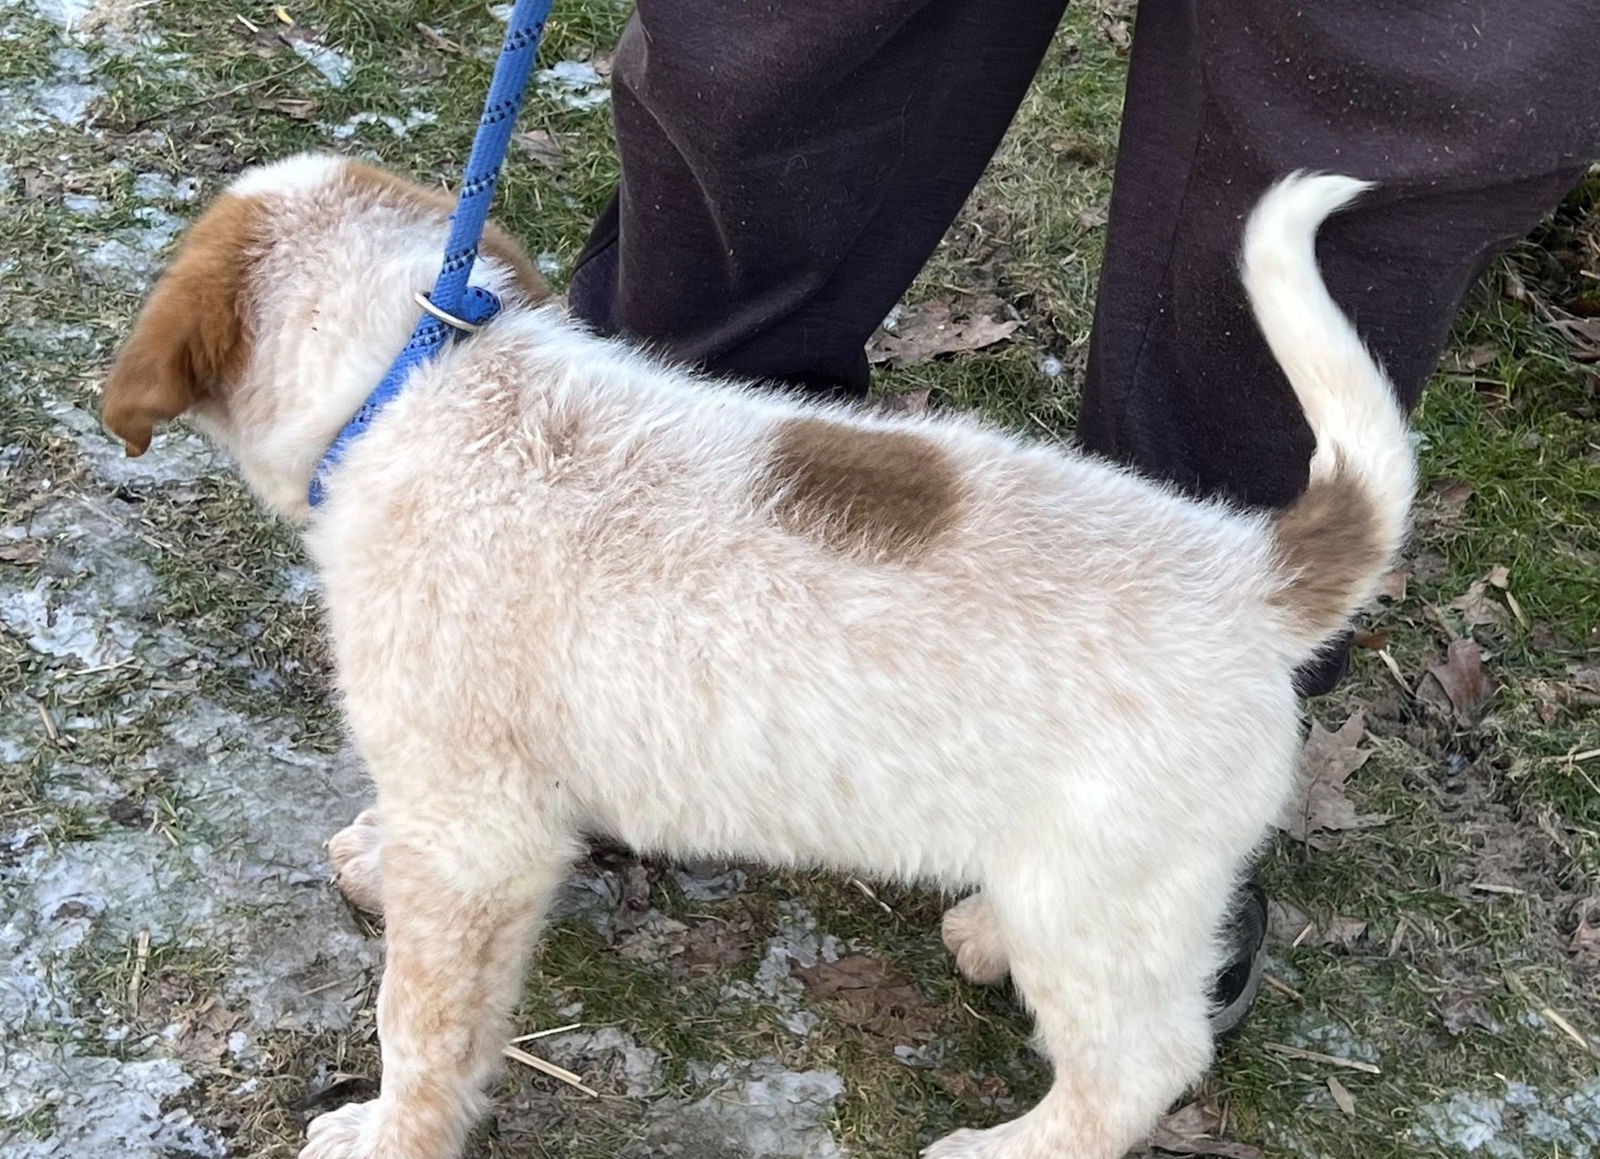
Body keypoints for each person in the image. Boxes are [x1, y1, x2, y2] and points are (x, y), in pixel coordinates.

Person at [564, 0, 1600, 1033]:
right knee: (782, 39)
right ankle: (662, 552)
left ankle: (1174, 716)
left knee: (1377, 78)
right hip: (684, 487)